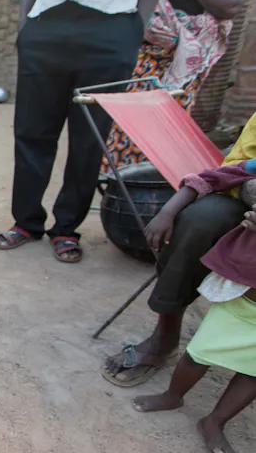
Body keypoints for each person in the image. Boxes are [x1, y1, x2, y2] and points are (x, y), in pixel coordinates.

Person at [0, 0, 171, 263]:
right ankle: (26, 221)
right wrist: (26, 23)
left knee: (89, 139)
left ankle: (66, 227)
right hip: (46, 24)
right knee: (31, 131)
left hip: (112, 27)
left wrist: (135, 27)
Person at [104, 113, 256, 386]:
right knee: (199, 220)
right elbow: (235, 169)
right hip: (247, 191)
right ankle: (165, 336)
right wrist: (249, 190)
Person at [132, 161, 256, 453]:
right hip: (245, 298)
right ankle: (172, 396)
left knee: (253, 372)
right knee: (200, 353)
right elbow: (210, 179)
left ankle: (215, 420)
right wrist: (167, 211)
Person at [103, 0, 256, 172]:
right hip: (146, 48)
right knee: (130, 124)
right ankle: (120, 185)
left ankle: (152, 188)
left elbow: (230, 7)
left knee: (172, 134)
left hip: (196, 61)